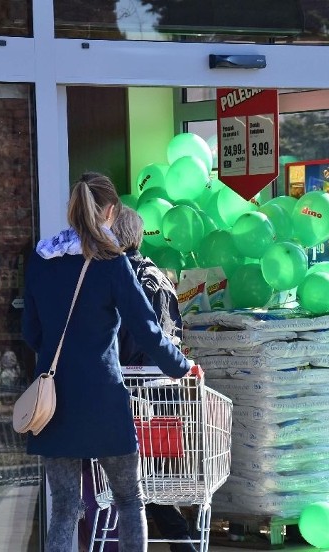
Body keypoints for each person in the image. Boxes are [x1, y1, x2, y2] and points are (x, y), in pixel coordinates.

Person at [22, 172, 197, 552]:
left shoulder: (41, 258)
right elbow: (149, 332)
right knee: (129, 501)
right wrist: (181, 367)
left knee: (65, 507)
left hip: (53, 403)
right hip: (103, 399)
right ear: (111, 211)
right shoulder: (112, 262)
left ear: (72, 209)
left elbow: (31, 331)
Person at [111, 206, 196, 552]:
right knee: (152, 477)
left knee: (141, 480)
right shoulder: (158, 277)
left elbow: (140, 339)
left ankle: (179, 540)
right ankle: (180, 541)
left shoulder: (123, 277)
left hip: (139, 390)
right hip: (162, 389)